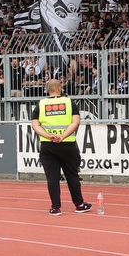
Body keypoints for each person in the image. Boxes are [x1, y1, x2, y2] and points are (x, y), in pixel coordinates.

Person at [31, 79, 92, 216]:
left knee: (52, 177)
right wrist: (63, 136)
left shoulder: (41, 104)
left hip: (48, 145)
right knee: (72, 175)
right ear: (59, 88)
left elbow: (35, 126)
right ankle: (79, 204)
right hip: (67, 144)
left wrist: (48, 136)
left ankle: (55, 207)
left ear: (47, 89)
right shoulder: (69, 102)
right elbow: (75, 123)